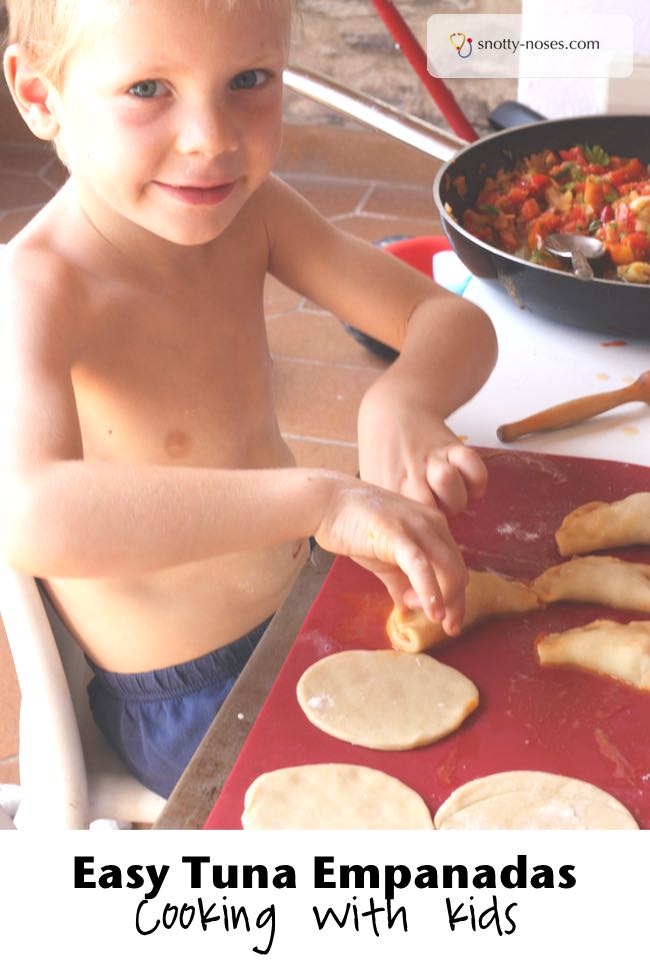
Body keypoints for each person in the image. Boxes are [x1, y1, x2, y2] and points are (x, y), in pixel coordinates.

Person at [0, 0, 497, 798]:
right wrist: (320, 500)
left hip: (304, 609)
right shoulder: (39, 288)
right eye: (148, 88)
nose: (213, 137)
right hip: (190, 700)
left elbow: (452, 319)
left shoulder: (252, 214)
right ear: (40, 95)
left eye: (248, 79)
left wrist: (400, 400)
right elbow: (31, 514)